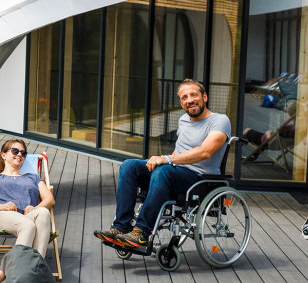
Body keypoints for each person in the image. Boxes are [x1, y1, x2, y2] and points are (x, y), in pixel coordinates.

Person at [93, 78, 231, 248]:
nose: (189, 100)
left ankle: (142, 232)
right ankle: (120, 227)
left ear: (204, 97)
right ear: (181, 103)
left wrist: (166, 160)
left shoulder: (219, 120)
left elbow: (205, 152)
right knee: (129, 166)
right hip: (174, 174)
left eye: (193, 95)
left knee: (163, 170)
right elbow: (178, 152)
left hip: (200, 180)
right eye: (184, 97)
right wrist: (164, 160)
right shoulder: (183, 120)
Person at [0, 139, 56, 256]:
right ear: (4, 155)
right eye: (15, 151)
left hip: (27, 216)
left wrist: (35, 208)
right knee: (28, 225)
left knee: (43, 212)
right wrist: (1, 206)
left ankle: (35, 266)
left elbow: (50, 199)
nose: (19, 155)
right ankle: (18, 268)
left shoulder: (32, 177)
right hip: (0, 215)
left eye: (23, 153)